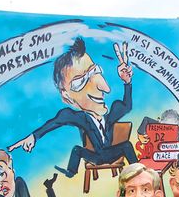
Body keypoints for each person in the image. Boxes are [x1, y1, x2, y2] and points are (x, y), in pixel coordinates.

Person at [10, 38, 138, 179]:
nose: (105, 88)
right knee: (77, 149)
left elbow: (127, 106)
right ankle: (71, 172)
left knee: (126, 145)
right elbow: (59, 120)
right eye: (81, 82)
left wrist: (127, 83)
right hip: (96, 157)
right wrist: (34, 136)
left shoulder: (111, 114)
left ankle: (139, 171)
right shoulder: (82, 118)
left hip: (110, 153)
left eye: (96, 71)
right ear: (67, 96)